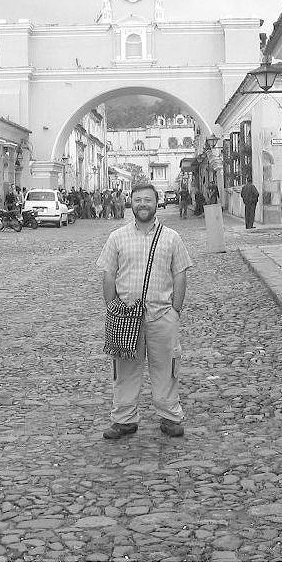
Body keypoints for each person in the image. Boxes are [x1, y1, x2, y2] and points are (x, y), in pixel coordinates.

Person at [96, 183, 193, 440]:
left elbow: (180, 274)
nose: (142, 204)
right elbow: (108, 274)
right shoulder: (117, 237)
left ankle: (170, 416)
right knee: (125, 369)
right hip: (127, 317)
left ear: (156, 202)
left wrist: (176, 310)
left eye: (147, 200)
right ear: (131, 202)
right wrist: (112, 308)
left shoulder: (171, 237)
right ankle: (124, 419)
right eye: (137, 200)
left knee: (167, 367)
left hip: (162, 315)